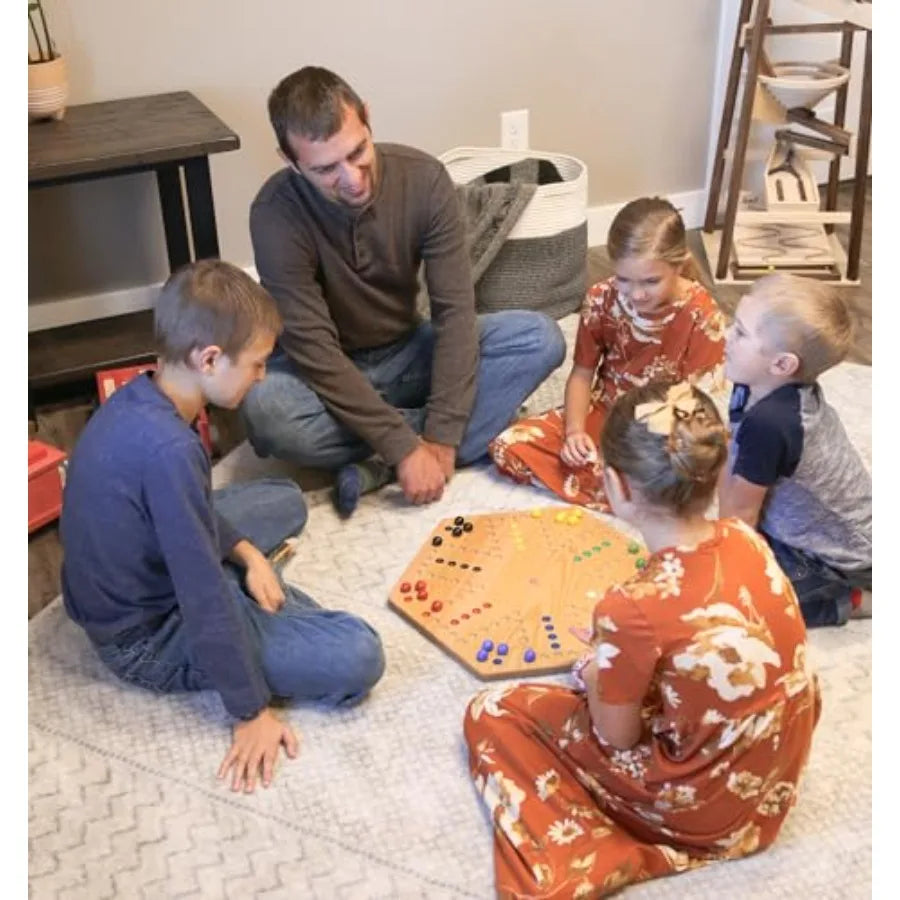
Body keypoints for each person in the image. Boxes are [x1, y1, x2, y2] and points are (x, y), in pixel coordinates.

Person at [463, 381, 821, 898]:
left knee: (494, 710)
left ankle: (618, 842)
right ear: (719, 469)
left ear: (617, 486)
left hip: (701, 810)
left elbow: (617, 738)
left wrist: (592, 669)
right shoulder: (748, 539)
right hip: (769, 778)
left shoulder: (630, 608)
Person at [60, 260, 385, 794]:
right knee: (358, 654)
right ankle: (259, 622)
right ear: (209, 359)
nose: (262, 376)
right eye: (257, 365)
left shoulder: (141, 399)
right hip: (145, 635)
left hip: (131, 572)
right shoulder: (170, 450)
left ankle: (252, 578)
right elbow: (200, 591)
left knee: (284, 500)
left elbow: (183, 512)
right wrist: (250, 709)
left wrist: (247, 553)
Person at [241, 65, 566, 516]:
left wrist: (441, 437)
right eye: (326, 169)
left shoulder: (425, 179)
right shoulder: (274, 214)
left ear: (368, 118)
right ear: (289, 160)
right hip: (319, 371)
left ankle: (377, 462)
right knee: (265, 410)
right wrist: (405, 447)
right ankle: (426, 442)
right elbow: (315, 350)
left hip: (407, 352)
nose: (352, 178)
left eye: (358, 152)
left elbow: (455, 314)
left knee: (540, 338)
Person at [489, 196, 726, 510]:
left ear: (679, 266)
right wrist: (574, 433)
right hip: (607, 412)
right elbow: (582, 374)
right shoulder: (601, 298)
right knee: (508, 446)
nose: (637, 294)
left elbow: (698, 409)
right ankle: (624, 493)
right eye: (625, 280)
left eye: (651, 281)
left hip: (666, 427)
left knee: (688, 473)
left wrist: (646, 450)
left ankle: (622, 488)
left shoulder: (702, 315)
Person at [719, 272, 872, 627]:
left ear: (783, 365)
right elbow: (732, 447)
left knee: (747, 600)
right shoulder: (755, 385)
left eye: (740, 332)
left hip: (847, 558)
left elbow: (738, 517)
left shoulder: (772, 423)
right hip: (816, 526)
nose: (727, 336)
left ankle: (850, 599)